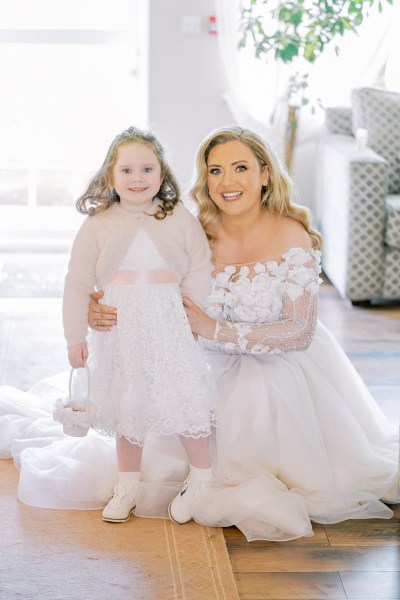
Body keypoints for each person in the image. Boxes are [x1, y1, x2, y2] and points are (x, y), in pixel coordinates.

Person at [88, 126, 399, 541]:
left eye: (240, 168)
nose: (227, 182)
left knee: (256, 392)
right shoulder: (192, 230)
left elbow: (299, 332)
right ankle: (172, 479)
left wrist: (215, 327)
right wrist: (98, 304)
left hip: (281, 363)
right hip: (202, 358)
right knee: (167, 403)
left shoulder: (293, 235)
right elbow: (133, 277)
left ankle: (217, 480)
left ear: (265, 173)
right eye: (215, 171)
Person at [55, 125, 217, 524]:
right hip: (120, 326)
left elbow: (199, 263)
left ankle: (202, 479)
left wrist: (193, 312)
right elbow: (77, 281)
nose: (137, 178)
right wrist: (75, 334)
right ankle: (127, 483)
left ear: (162, 175)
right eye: (127, 170)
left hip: (169, 320)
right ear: (110, 176)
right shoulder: (98, 223)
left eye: (147, 169)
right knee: (129, 399)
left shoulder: (176, 216)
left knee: (185, 394)